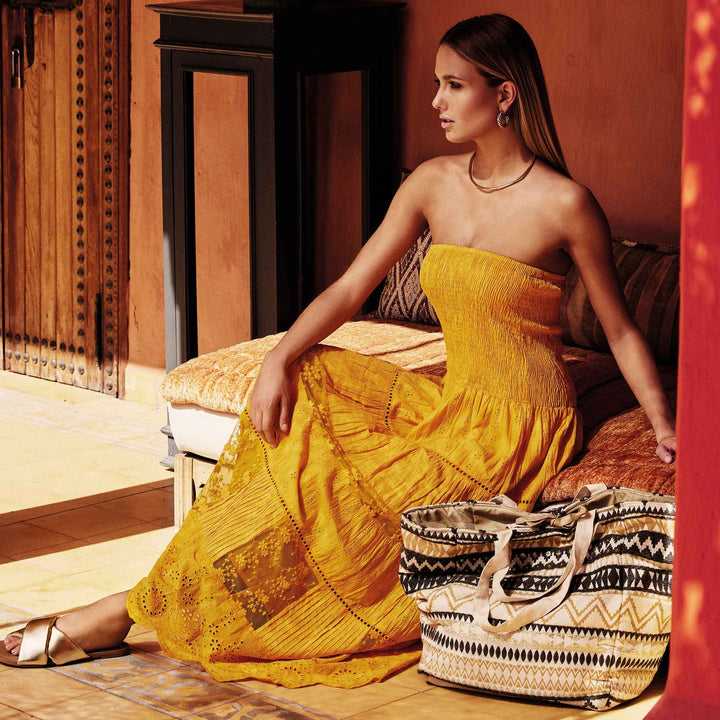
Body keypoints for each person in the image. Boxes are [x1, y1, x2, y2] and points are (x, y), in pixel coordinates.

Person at [2, 14, 676, 687]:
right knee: (312, 386)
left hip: (515, 427)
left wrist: (663, 424)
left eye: (454, 85)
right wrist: (278, 359)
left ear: (503, 94)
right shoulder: (432, 184)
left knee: (360, 498)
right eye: (436, 83)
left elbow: (620, 331)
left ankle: (122, 611)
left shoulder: (564, 203)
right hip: (450, 403)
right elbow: (353, 288)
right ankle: (162, 601)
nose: (436, 101)